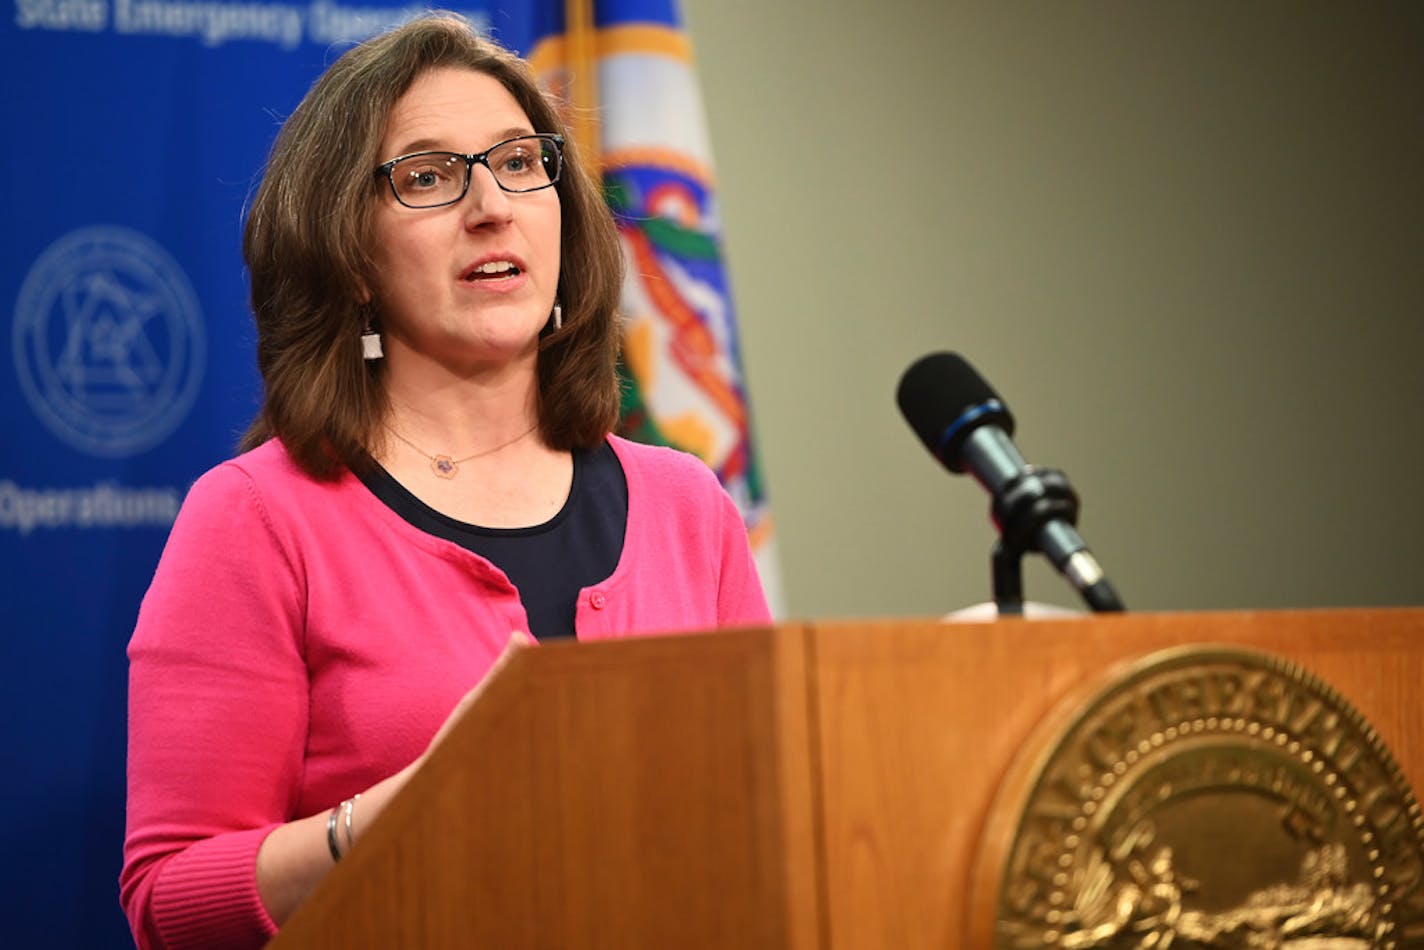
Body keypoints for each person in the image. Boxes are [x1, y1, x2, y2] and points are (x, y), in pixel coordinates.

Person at [119, 13, 771, 949]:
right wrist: (406, 811)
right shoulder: (260, 517)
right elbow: (172, 901)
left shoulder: (686, 508)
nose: (493, 205)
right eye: (427, 176)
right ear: (349, 257)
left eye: (518, 161)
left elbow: (765, 812)